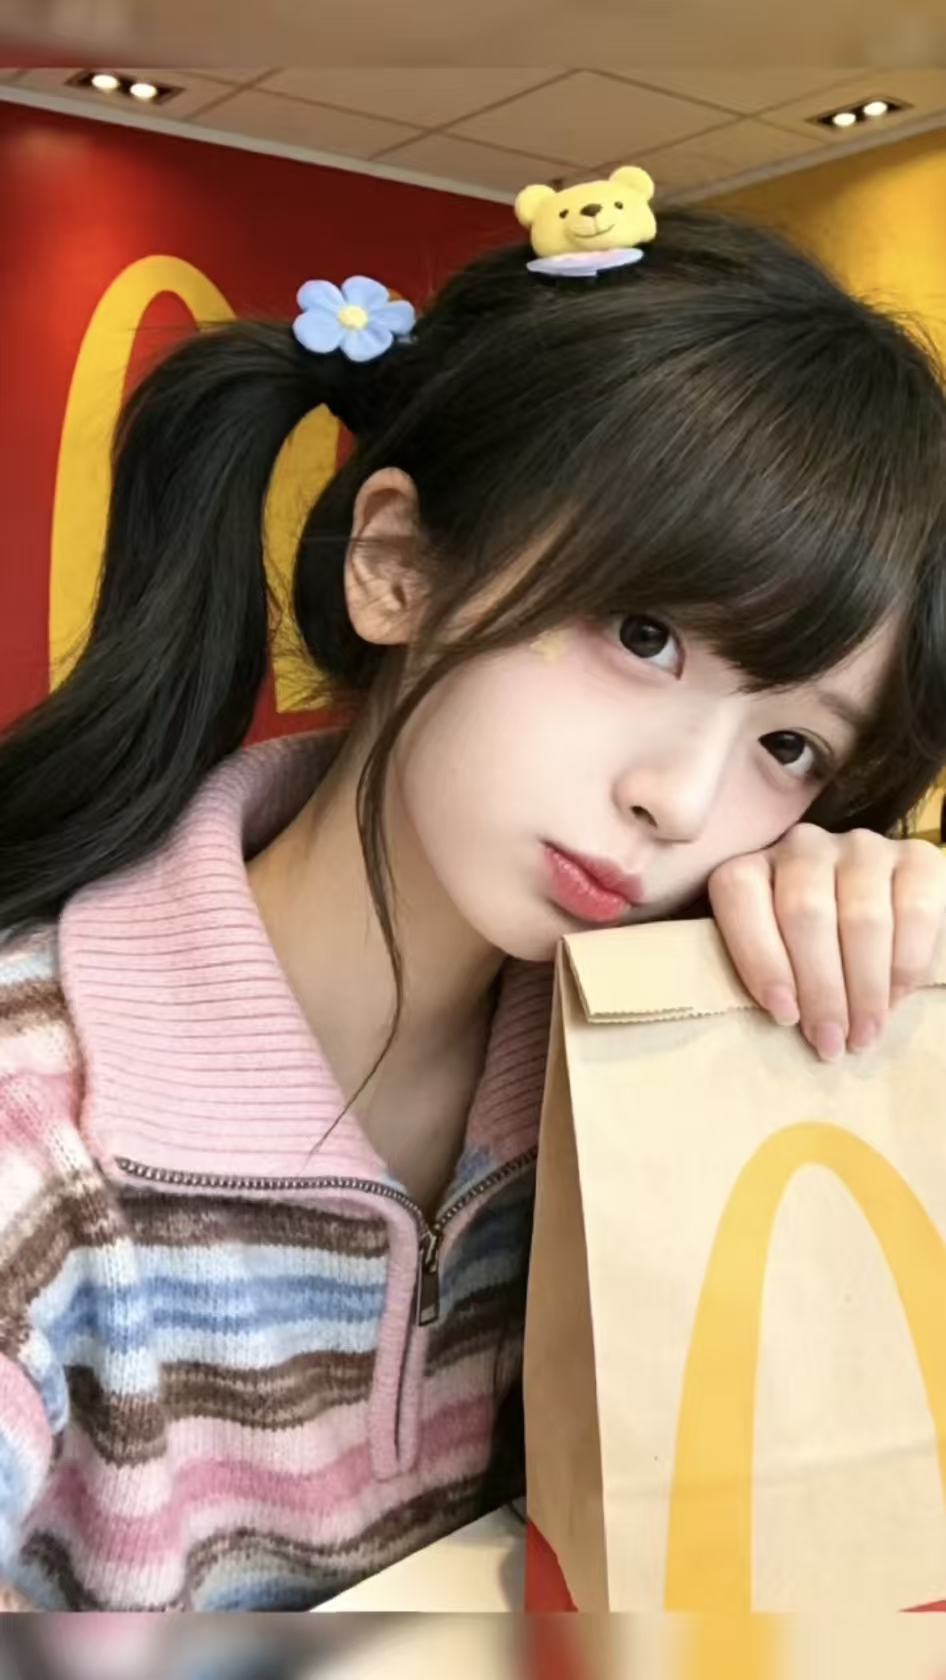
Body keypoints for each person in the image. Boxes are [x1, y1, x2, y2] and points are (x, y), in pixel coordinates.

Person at [1, 206, 946, 1614]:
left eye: (788, 744)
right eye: (644, 635)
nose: (681, 800)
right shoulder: (40, 1129)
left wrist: (875, 1007)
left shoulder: (667, 1065)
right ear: (398, 565)